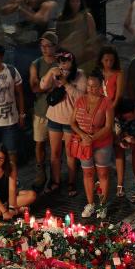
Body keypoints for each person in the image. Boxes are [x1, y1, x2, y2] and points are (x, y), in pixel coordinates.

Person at [40, 50, 87, 195]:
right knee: (54, 152)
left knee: (70, 154)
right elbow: (43, 86)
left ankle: (72, 183)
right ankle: (55, 181)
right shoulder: (55, 72)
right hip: (54, 117)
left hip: (70, 120)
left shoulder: (79, 75)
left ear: (72, 61)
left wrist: (66, 83)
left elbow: (81, 97)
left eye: (65, 60)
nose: (62, 64)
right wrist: (49, 74)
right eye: (60, 61)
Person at [71, 71, 115, 219]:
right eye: (89, 86)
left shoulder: (106, 102)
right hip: (84, 142)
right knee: (87, 173)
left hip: (102, 142)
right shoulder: (80, 100)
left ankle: (102, 205)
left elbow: (108, 127)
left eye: (94, 86)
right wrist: (83, 135)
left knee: (103, 173)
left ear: (101, 86)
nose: (91, 89)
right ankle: (90, 203)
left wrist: (93, 137)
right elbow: (72, 122)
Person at [29, 32, 59, 188]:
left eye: (48, 46)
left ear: (55, 46)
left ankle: (57, 175)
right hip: (41, 111)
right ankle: (41, 172)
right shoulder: (36, 64)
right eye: (42, 46)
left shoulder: (61, 61)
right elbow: (34, 87)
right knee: (40, 143)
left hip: (59, 112)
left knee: (57, 148)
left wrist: (44, 85)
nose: (45, 49)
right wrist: (49, 86)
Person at [0, 145, 36, 219]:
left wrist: (11, 208)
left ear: (5, 158)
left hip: (8, 198)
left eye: (1, 158)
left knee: (31, 195)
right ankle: (17, 211)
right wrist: (4, 211)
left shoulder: (11, 166)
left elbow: (12, 189)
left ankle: (0, 213)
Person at [96, 47, 125, 197]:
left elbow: (118, 97)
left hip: (114, 115)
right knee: (102, 148)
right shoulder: (97, 75)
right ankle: (101, 178)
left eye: (111, 60)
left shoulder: (118, 74)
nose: (109, 63)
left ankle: (120, 183)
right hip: (99, 117)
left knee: (118, 149)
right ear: (101, 60)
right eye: (106, 60)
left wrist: (108, 112)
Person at [55, 0, 98, 68]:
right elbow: (59, 39)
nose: (75, 4)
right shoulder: (62, 18)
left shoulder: (87, 17)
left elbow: (93, 37)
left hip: (84, 54)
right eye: (73, 1)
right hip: (67, 55)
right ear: (68, 2)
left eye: (78, 1)